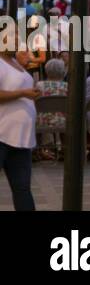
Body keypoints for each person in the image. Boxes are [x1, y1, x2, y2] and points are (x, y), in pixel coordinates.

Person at [0, 43, 38, 211]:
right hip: (2, 134)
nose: (17, 40)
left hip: (21, 138)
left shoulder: (15, 61)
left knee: (22, 188)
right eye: (12, 35)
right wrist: (23, 93)